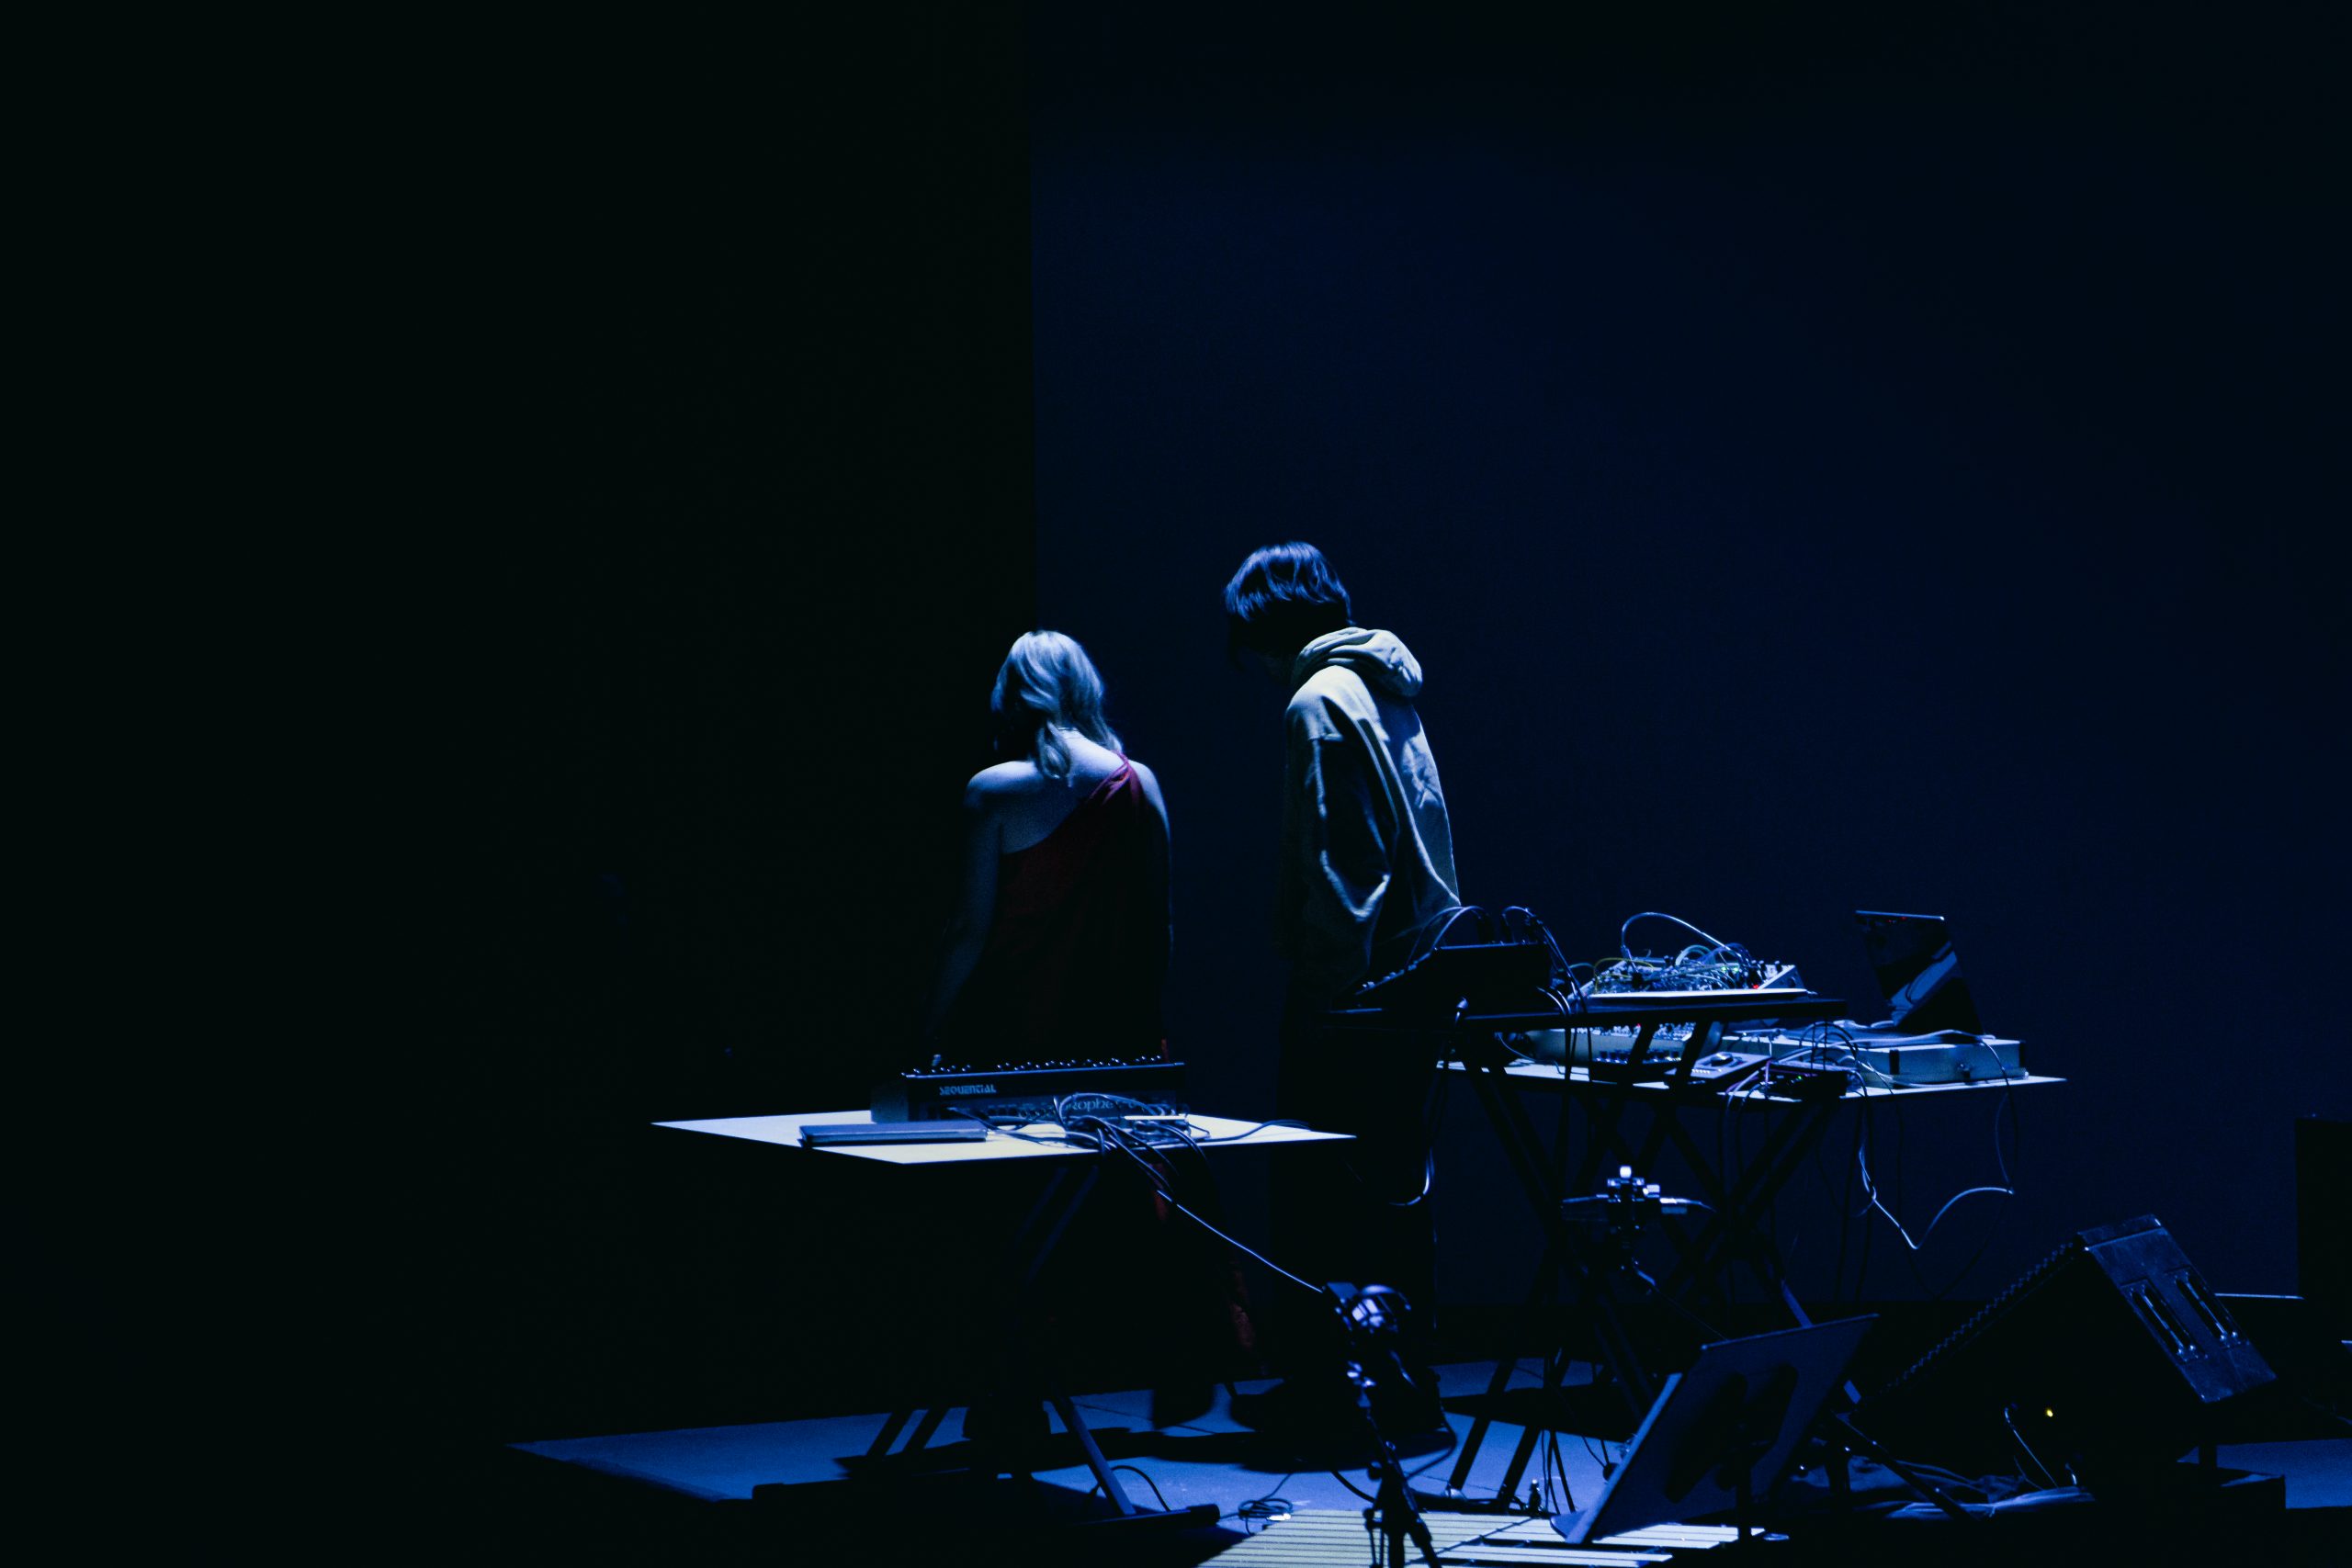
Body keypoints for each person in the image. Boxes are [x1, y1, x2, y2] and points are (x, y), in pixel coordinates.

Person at [1223, 541, 1461, 1439]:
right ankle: (1404, 1391)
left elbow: (1344, 869)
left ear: (1266, 629)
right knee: (1394, 1202)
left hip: (1356, 995)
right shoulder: (1388, 689)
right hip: (1417, 985)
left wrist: (1327, 991)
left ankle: (1332, 1393)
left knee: (1319, 1203)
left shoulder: (1319, 700)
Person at [923, 630, 1170, 1064]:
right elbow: (1156, 925)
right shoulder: (1141, 783)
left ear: (1013, 694)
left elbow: (968, 931)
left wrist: (926, 1028)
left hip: (1011, 1037)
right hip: (1116, 1039)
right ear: (1085, 688)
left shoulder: (992, 791)